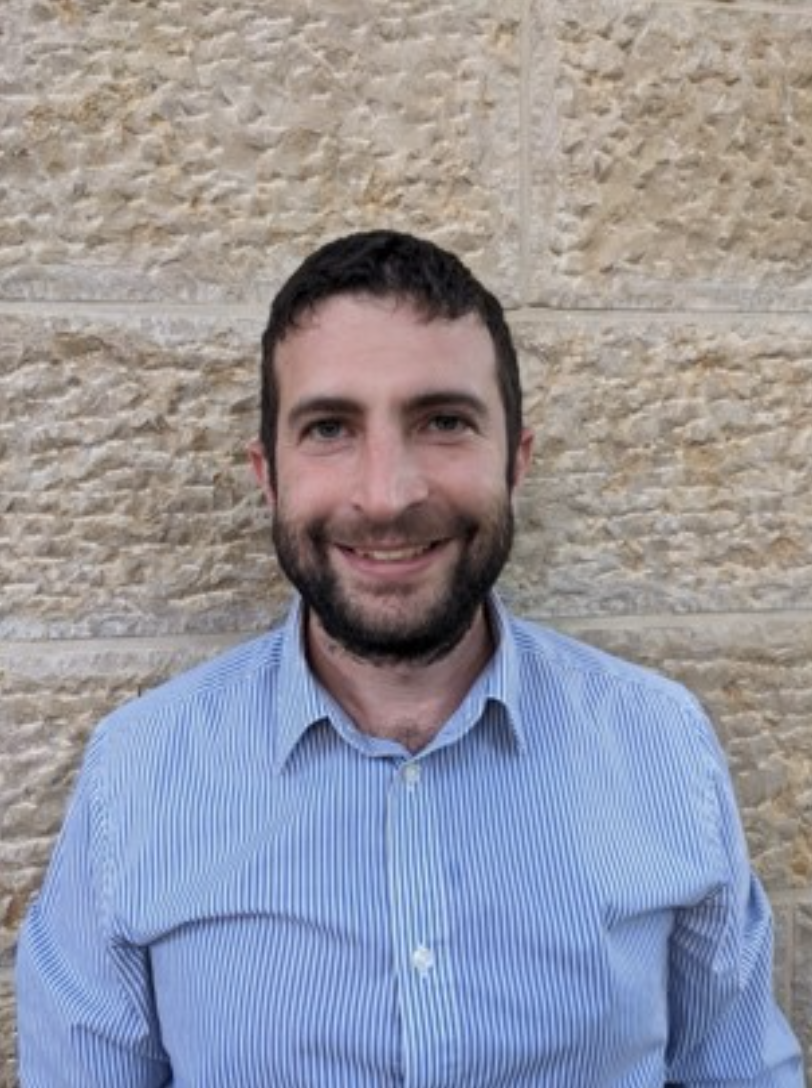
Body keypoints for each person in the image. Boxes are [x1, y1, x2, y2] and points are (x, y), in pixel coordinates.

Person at [16, 230, 803, 1086]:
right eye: (329, 428)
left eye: (443, 422)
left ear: (517, 461)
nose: (387, 495)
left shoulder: (661, 743)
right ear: (267, 475)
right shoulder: (138, 774)